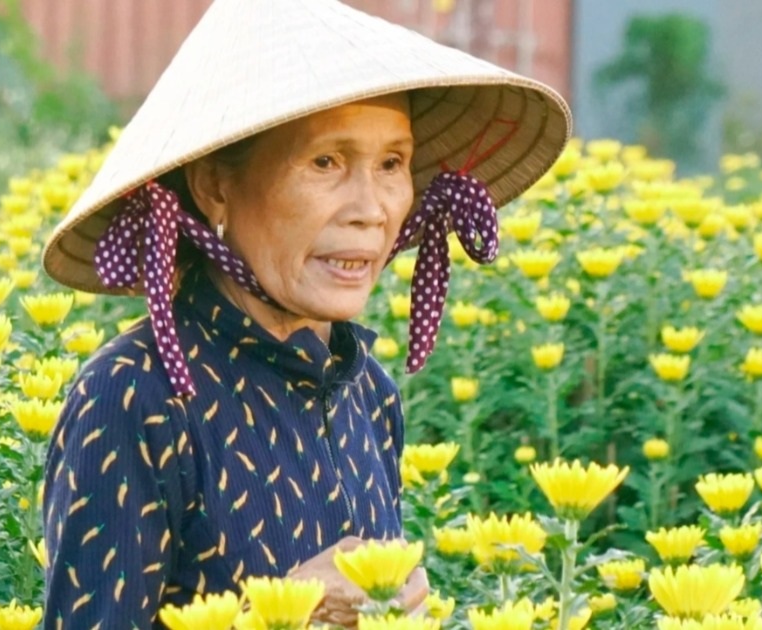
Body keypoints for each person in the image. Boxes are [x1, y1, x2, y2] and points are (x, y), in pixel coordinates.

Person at [37, 0, 570, 627]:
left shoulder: (369, 392)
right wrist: (275, 613)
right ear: (215, 186)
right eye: (326, 162)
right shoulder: (133, 394)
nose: (371, 209)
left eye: (393, 164)